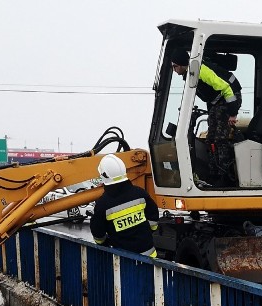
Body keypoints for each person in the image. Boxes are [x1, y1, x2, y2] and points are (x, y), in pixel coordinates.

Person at [170, 48, 242, 186]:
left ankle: (225, 177)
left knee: (220, 139)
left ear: (182, 64)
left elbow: (226, 88)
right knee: (210, 139)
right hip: (218, 101)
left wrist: (232, 113)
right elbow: (209, 96)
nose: (174, 70)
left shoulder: (201, 71)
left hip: (229, 97)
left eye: (175, 66)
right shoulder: (190, 73)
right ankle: (213, 175)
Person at [90, 154, 159, 258]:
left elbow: (99, 237)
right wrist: (144, 233)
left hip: (123, 264)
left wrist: (107, 242)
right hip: (150, 260)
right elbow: (154, 220)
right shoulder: (140, 193)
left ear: (104, 176)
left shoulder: (102, 204)